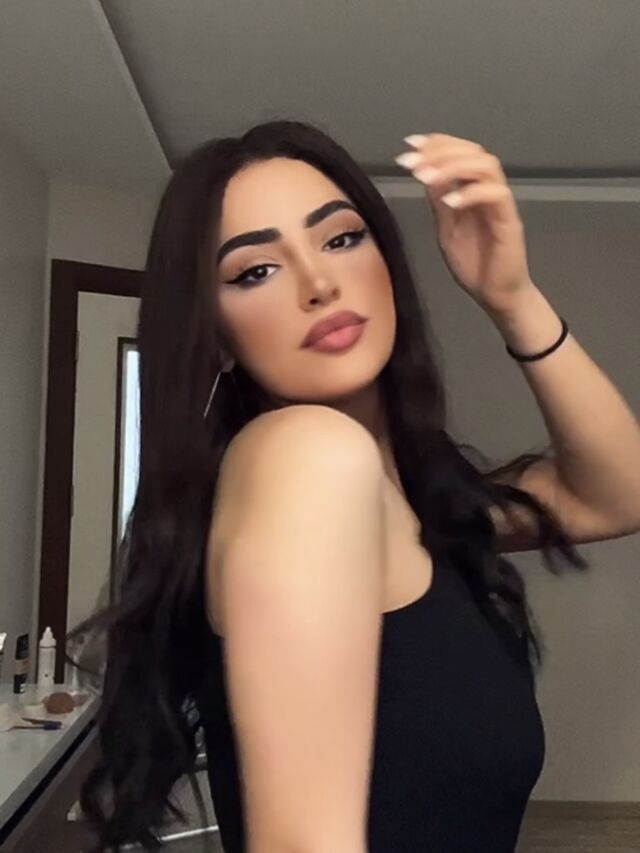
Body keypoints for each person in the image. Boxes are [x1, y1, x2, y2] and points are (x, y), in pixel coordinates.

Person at [75, 120, 640, 852]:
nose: (319, 283)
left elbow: (614, 495)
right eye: (255, 271)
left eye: (341, 238)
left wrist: (512, 295)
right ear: (214, 336)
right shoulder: (306, 459)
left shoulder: (406, 498)